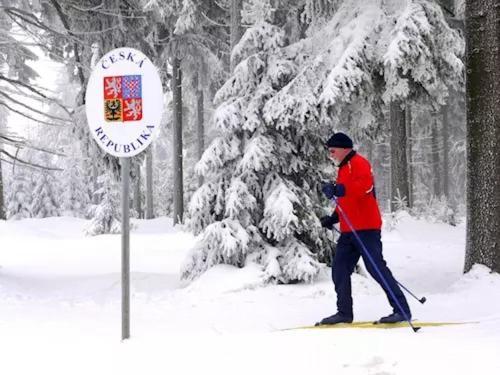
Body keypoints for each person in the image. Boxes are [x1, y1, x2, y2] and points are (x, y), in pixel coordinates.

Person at [319, 132, 411, 324]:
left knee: (376, 268)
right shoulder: (343, 168)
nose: (331, 154)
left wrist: (338, 189)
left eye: (333, 150)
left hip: (366, 228)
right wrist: (334, 217)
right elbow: (346, 199)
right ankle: (344, 313)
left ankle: (401, 310)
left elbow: (364, 187)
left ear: (344, 149)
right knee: (340, 269)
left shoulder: (359, 163)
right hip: (349, 230)